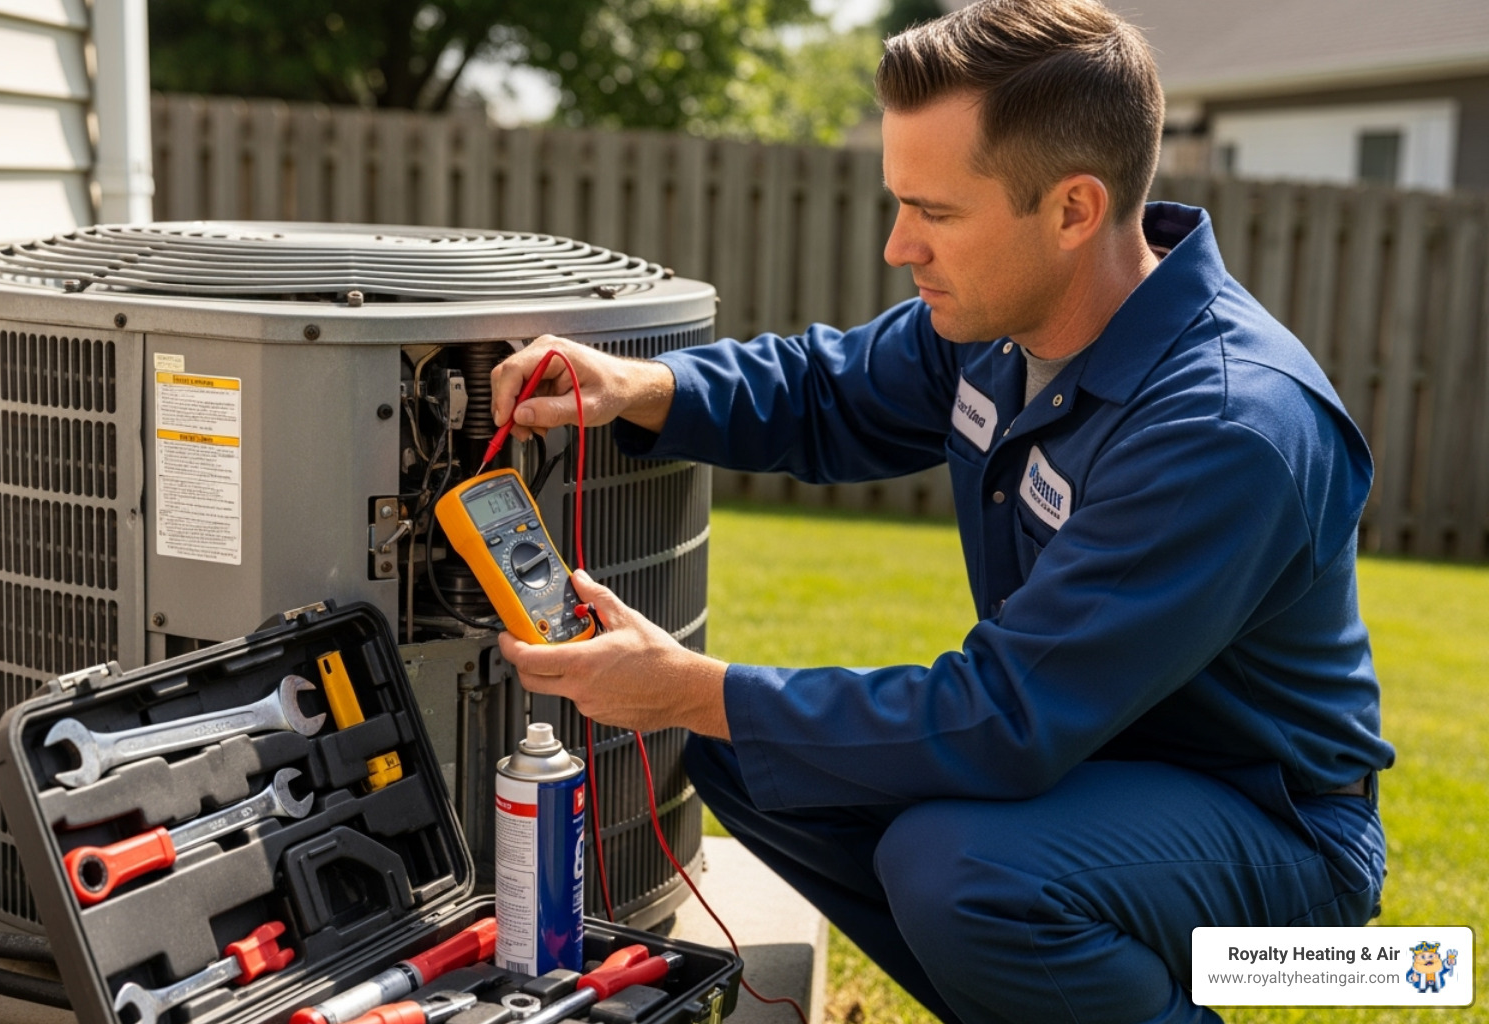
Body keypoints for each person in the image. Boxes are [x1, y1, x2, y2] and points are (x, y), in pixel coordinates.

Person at [487, 1, 1394, 1020]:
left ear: (1072, 210)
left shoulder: (1225, 428)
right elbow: (826, 391)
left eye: (936, 211)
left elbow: (1006, 719)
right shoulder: (995, 329)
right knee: (755, 756)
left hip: (1276, 832)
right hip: (1096, 765)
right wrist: (642, 388)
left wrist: (693, 687)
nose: (897, 245)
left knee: (960, 871)